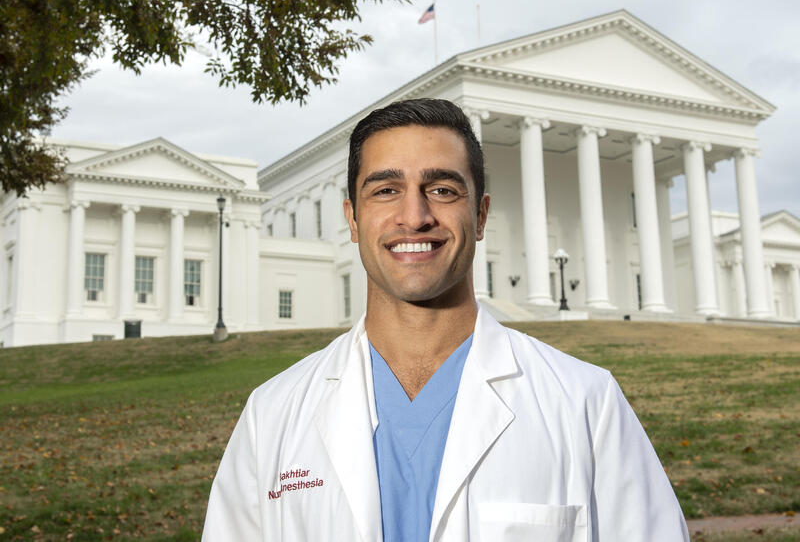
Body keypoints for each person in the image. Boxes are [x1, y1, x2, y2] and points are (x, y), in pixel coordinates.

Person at [202, 98, 690, 541]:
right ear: (351, 219)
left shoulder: (585, 401)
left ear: (480, 216)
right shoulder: (273, 414)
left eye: (441, 189)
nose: (414, 216)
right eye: (386, 190)